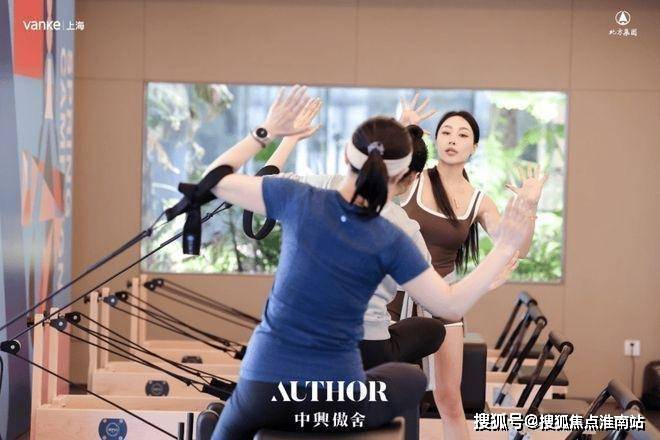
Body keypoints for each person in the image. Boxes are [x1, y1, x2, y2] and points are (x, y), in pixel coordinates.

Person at [202, 85, 531, 440]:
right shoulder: (397, 235)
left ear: (346, 154)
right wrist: (502, 250)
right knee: (413, 378)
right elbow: (449, 305)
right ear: (409, 178)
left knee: (234, 419)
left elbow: (215, 182)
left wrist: (266, 132)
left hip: (264, 385)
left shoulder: (300, 197)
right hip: (339, 395)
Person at [397, 94, 547, 440]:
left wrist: (529, 207)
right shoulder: (412, 179)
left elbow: (518, 247)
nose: (453, 139)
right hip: (396, 299)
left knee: (450, 399)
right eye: (446, 132)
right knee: (393, 394)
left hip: (446, 301)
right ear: (435, 140)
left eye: (463, 134)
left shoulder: (480, 200)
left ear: (474, 147)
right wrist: (403, 130)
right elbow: (380, 175)